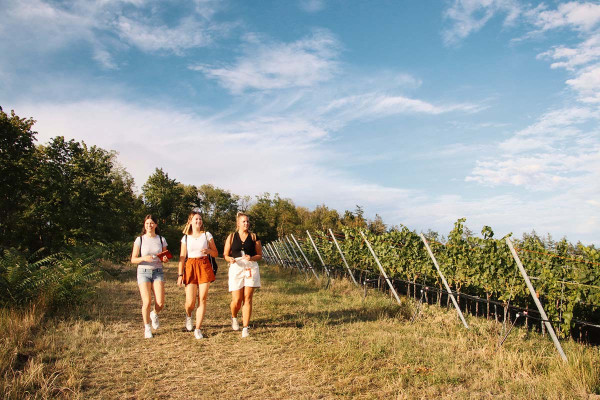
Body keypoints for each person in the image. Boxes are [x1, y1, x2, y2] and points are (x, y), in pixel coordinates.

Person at [177, 211, 218, 339]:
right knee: (190, 302)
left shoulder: (207, 235)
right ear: (190, 221)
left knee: (202, 298)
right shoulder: (185, 238)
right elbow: (182, 257)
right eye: (196, 219)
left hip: (204, 265)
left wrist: (209, 251)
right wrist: (180, 275)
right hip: (190, 267)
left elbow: (216, 253)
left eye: (200, 219)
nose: (198, 221)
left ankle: (198, 328)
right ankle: (189, 315)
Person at [223, 212, 262, 338]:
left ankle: (245, 327)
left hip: (250, 267)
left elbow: (259, 255)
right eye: (244, 221)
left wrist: (251, 258)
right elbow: (225, 254)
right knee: (237, 300)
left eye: (248, 221)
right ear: (238, 223)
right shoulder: (231, 237)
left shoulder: (254, 237)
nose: (246, 223)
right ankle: (234, 316)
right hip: (236, 268)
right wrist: (230, 259)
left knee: (248, 298)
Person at [130, 215, 169, 339]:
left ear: (156, 225)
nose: (149, 225)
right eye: (147, 223)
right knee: (146, 301)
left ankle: (154, 313)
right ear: (144, 225)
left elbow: (164, 256)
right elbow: (133, 259)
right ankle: (147, 328)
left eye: (152, 223)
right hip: (143, 272)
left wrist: (165, 259)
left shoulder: (161, 239)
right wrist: (144, 258)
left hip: (157, 272)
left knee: (160, 303)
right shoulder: (140, 240)